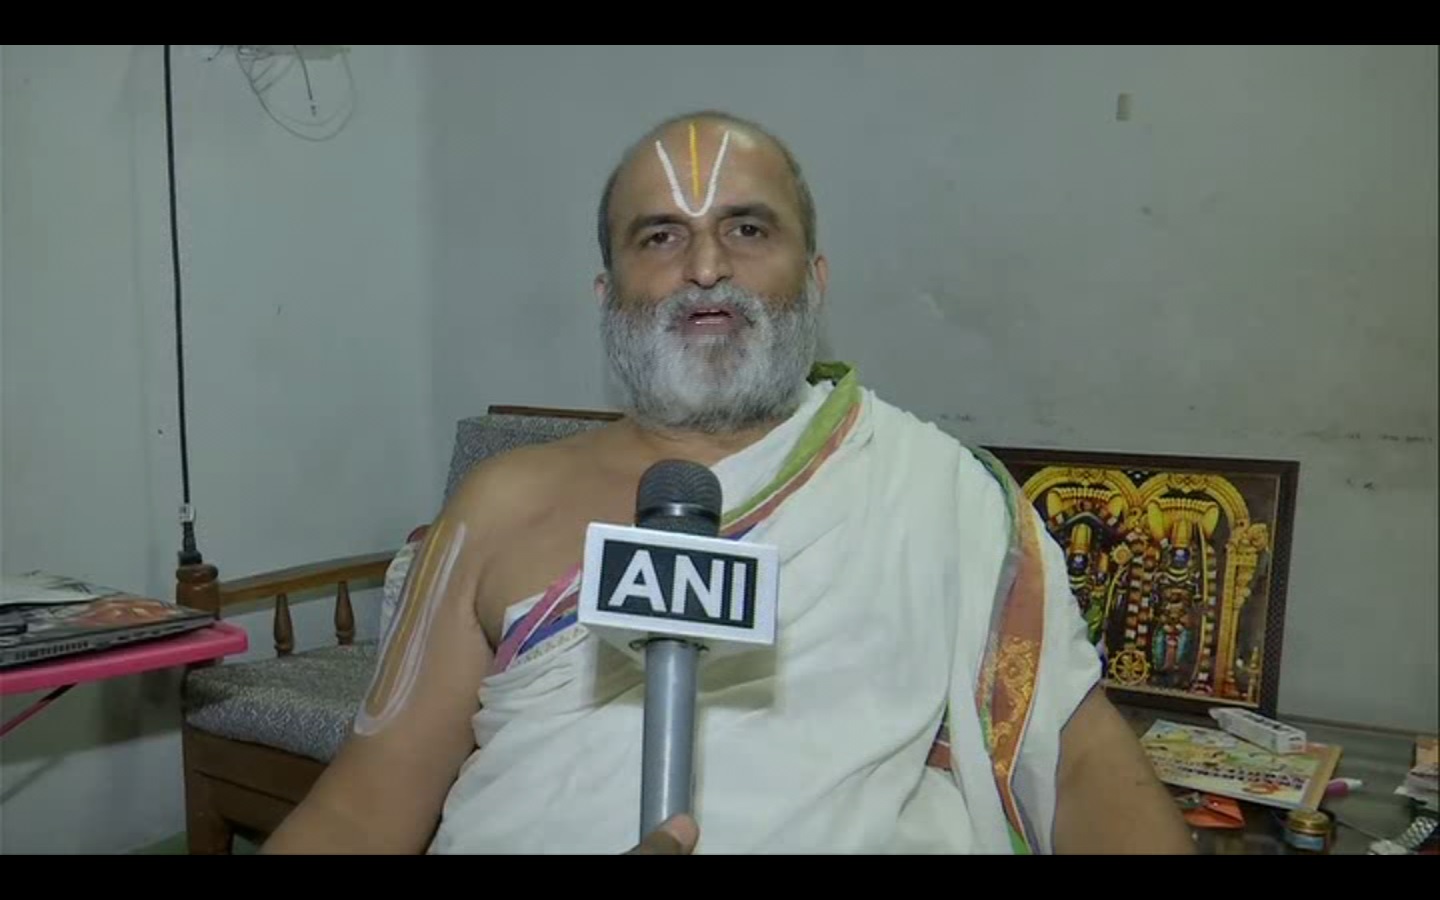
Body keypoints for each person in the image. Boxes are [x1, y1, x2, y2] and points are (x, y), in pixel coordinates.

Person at [261, 110, 1195, 855]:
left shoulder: (941, 494)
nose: (706, 266)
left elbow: (1078, 770)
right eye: (660, 235)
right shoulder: (501, 502)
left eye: (746, 228)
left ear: (816, 281)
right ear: (608, 296)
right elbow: (358, 814)